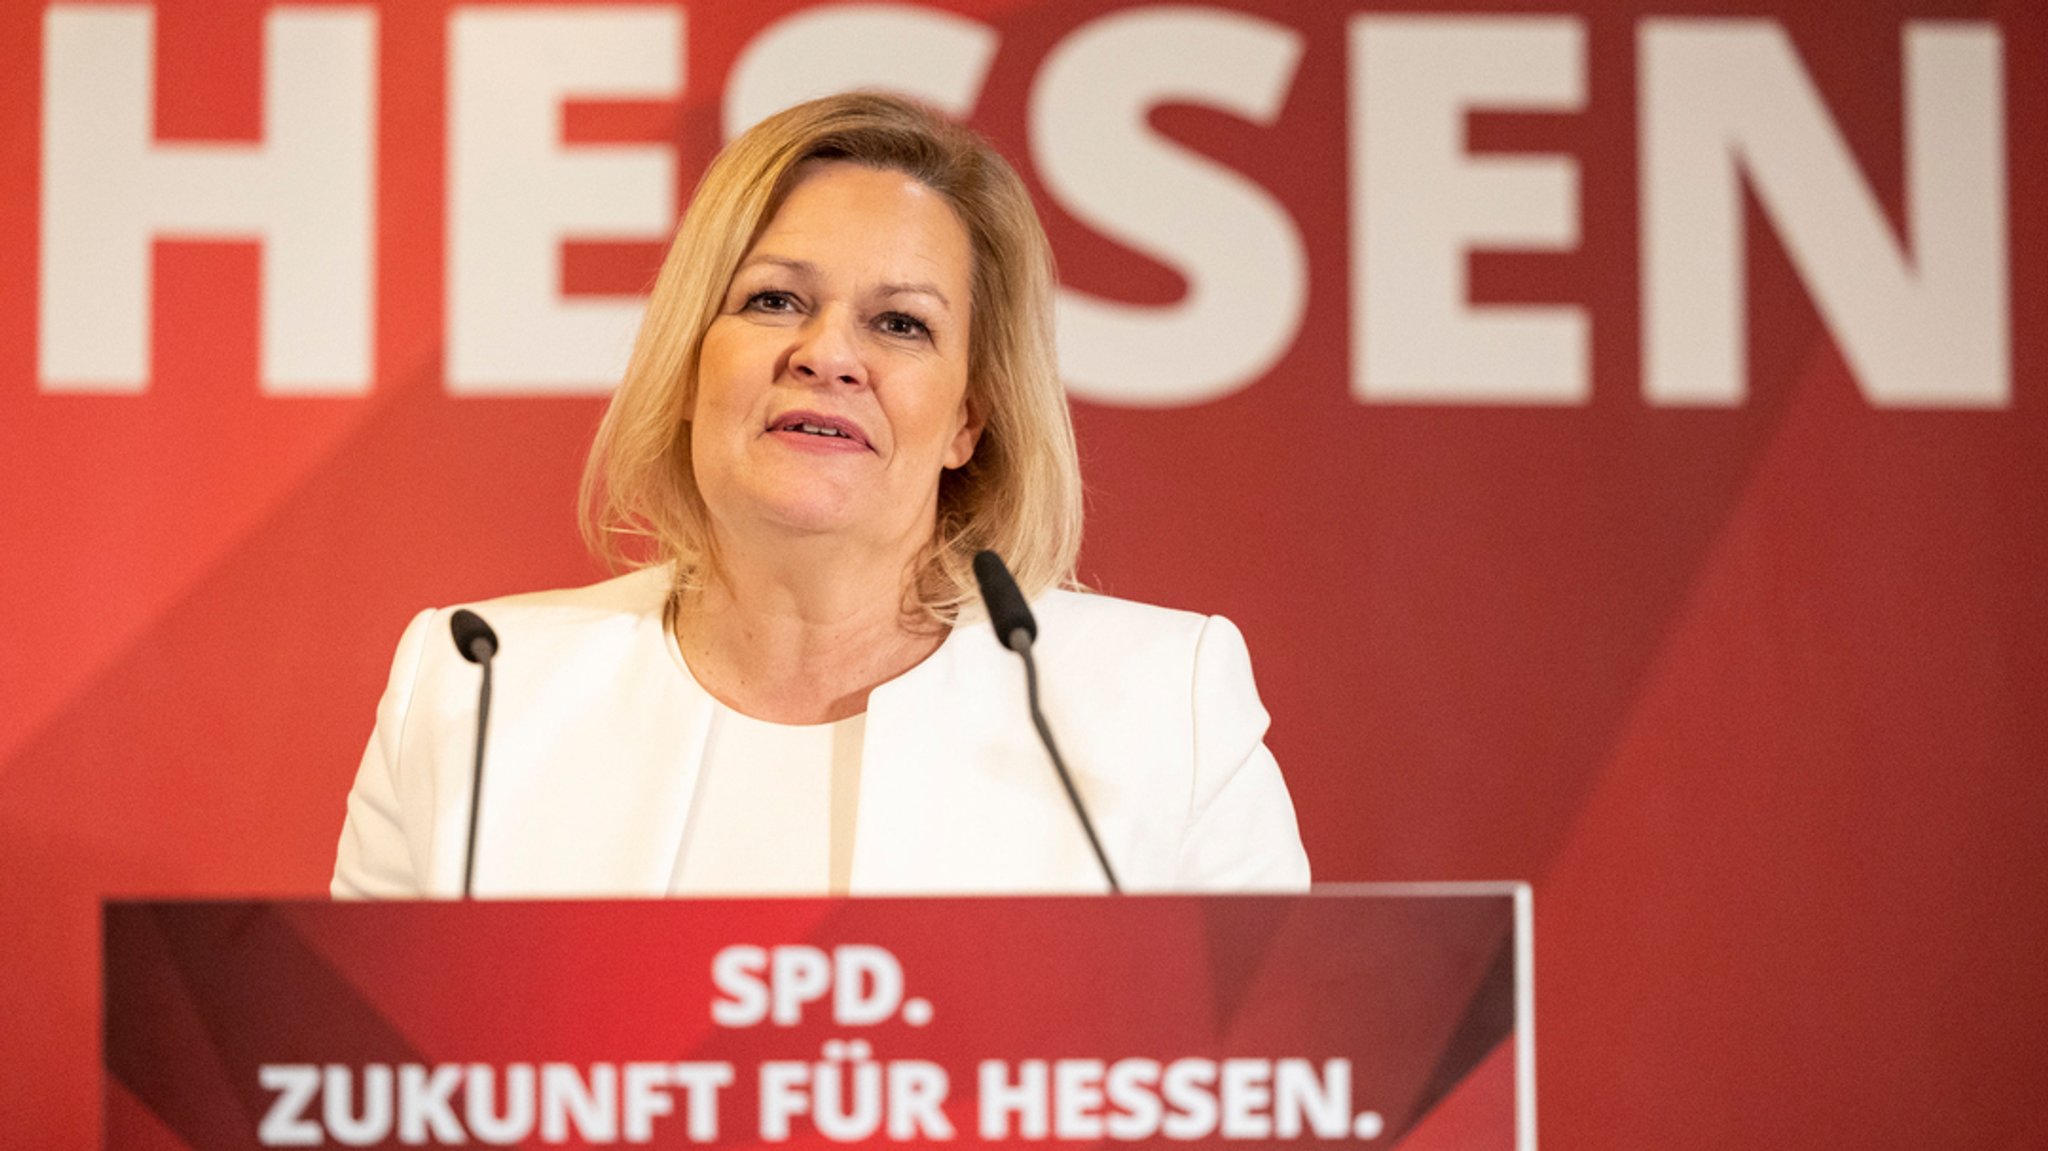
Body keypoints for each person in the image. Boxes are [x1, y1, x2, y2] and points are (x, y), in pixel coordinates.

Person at [333, 92, 1308, 898]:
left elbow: (1266, 1088)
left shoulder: (1156, 705)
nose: (827, 354)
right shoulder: (474, 688)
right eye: (772, 300)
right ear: (686, 367)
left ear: (968, 419)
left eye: (899, 322)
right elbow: (362, 1098)